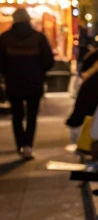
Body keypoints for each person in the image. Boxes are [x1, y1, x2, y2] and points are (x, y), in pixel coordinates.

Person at [0, 9, 55, 158]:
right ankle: (28, 145)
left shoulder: (5, 38)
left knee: (16, 115)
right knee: (32, 116)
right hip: (34, 82)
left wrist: (7, 73)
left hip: (13, 82)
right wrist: (39, 71)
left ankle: (20, 144)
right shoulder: (39, 38)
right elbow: (49, 61)